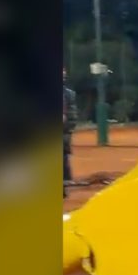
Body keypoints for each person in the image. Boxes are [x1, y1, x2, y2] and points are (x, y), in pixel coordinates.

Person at [63, 68, 77, 196]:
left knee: (63, 156)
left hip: (63, 130)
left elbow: (72, 114)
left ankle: (63, 186)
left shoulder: (69, 94)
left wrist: (69, 128)